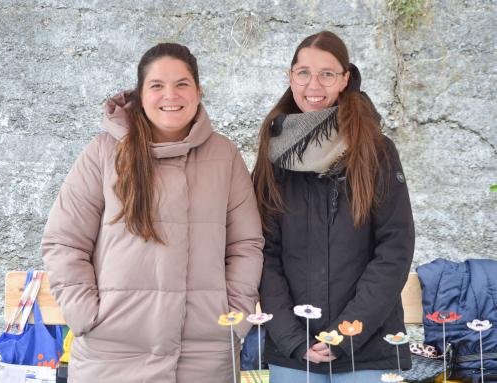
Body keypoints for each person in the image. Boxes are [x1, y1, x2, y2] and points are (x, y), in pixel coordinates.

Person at [41, 42, 264, 383]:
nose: (170, 95)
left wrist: (234, 318)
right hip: (111, 353)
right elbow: (64, 241)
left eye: (182, 84)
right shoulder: (104, 152)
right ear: (141, 94)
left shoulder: (225, 155)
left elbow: (245, 244)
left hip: (203, 356)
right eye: (157, 85)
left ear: (199, 91)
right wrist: (86, 315)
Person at [252, 31, 415, 382]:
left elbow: (394, 248)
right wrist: (293, 339)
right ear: (290, 77)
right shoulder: (272, 154)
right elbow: (264, 251)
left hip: (367, 347)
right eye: (304, 72)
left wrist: (344, 333)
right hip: (293, 351)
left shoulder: (375, 149)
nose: (314, 84)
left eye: (327, 74)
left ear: (344, 79)